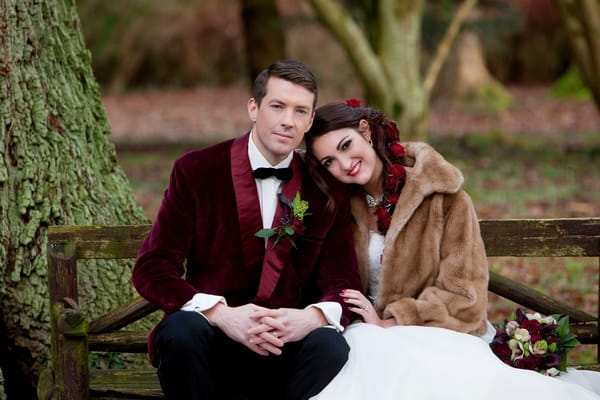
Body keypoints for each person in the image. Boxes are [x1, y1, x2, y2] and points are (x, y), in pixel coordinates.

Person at [304, 100, 600, 399]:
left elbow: (464, 294)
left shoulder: (441, 196)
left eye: (345, 145)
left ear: (365, 130)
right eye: (329, 161)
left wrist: (392, 321)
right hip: (367, 340)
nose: (344, 164)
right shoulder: (338, 208)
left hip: (442, 336)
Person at [132, 61, 363, 400]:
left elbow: (344, 284)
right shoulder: (196, 170)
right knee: (180, 331)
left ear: (310, 121)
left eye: (300, 111)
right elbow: (152, 268)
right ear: (254, 108)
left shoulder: (326, 187)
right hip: (212, 341)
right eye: (277, 106)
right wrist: (220, 314)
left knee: (329, 344)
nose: (288, 120)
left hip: (285, 348)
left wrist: (309, 318)